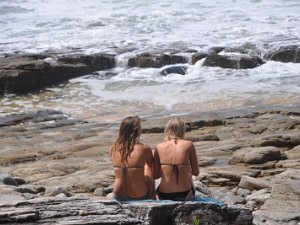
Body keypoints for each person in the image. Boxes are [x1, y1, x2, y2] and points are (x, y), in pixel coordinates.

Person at [110, 116, 155, 202]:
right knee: (148, 169)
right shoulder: (144, 149)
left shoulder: (113, 148)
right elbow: (150, 168)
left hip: (118, 195)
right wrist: (152, 190)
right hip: (139, 195)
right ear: (137, 131)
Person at [154, 117, 199, 201]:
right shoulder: (189, 144)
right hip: (185, 193)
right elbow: (196, 172)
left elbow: (156, 176)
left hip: (164, 194)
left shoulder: (159, 146)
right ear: (183, 130)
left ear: (167, 129)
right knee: (188, 174)